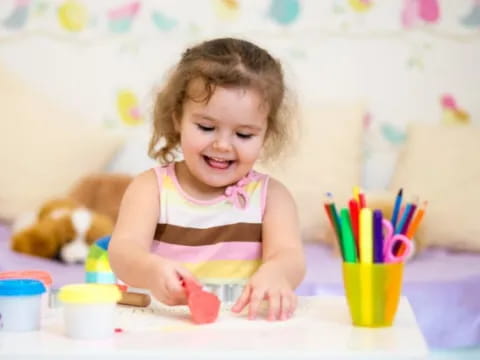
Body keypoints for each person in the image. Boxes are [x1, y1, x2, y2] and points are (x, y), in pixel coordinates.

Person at [109, 37, 305, 321]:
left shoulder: (272, 197)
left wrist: (277, 272)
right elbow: (123, 251)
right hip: (163, 327)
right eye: (206, 127)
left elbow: (290, 256)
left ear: (266, 134)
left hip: (242, 330)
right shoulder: (150, 189)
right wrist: (151, 270)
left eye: (244, 134)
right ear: (178, 118)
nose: (223, 145)